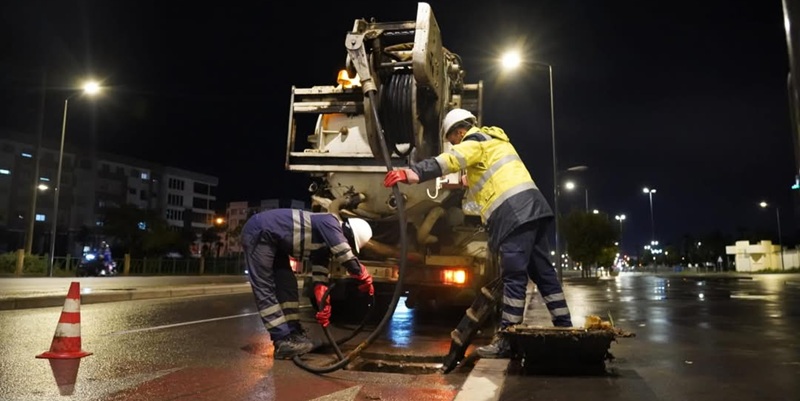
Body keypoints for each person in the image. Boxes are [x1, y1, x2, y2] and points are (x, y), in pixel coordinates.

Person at [383, 108, 572, 358]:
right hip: (534, 209)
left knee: (514, 277)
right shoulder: (495, 142)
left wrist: (412, 173)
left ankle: (508, 340)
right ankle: (565, 328)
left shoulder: (474, 140)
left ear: (460, 132)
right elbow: (489, 175)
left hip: (513, 213)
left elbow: (449, 161)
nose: (453, 146)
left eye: (452, 141)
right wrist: (465, 181)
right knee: (544, 273)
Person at [240, 208, 375, 359]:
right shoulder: (329, 221)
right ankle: (282, 340)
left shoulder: (324, 247)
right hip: (260, 232)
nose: (347, 244)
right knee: (265, 289)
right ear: (347, 232)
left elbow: (320, 277)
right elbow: (344, 254)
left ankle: (293, 334)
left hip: (275, 244)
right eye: (349, 242)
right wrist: (362, 274)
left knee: (288, 285)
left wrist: (323, 302)